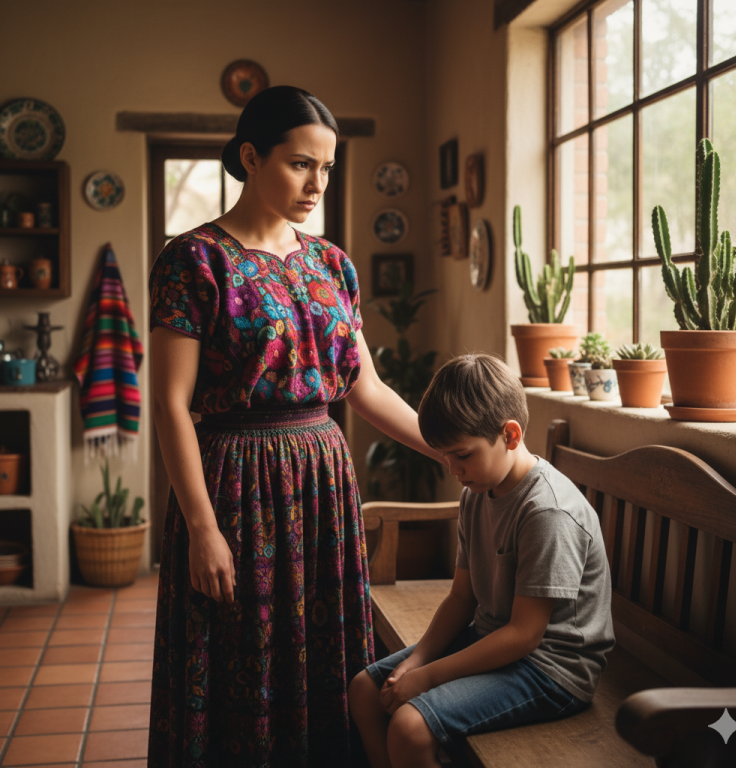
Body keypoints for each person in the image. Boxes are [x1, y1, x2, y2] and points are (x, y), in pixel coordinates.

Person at [147, 85, 443, 768]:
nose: (317, 184)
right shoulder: (194, 259)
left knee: (323, 653)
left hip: (322, 483)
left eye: (327, 168)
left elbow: (366, 388)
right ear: (251, 157)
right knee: (239, 652)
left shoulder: (331, 263)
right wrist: (201, 528)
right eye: (301, 164)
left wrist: (450, 448)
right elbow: (169, 404)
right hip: (235, 487)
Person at [349, 354, 615, 768]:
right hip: (491, 639)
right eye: (445, 456)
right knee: (365, 691)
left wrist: (427, 677)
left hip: (551, 669)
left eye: (462, 455)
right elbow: (461, 598)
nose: (452, 469)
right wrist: (417, 662)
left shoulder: (548, 512)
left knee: (409, 727)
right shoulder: (476, 494)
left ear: (510, 435)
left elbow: (524, 635)